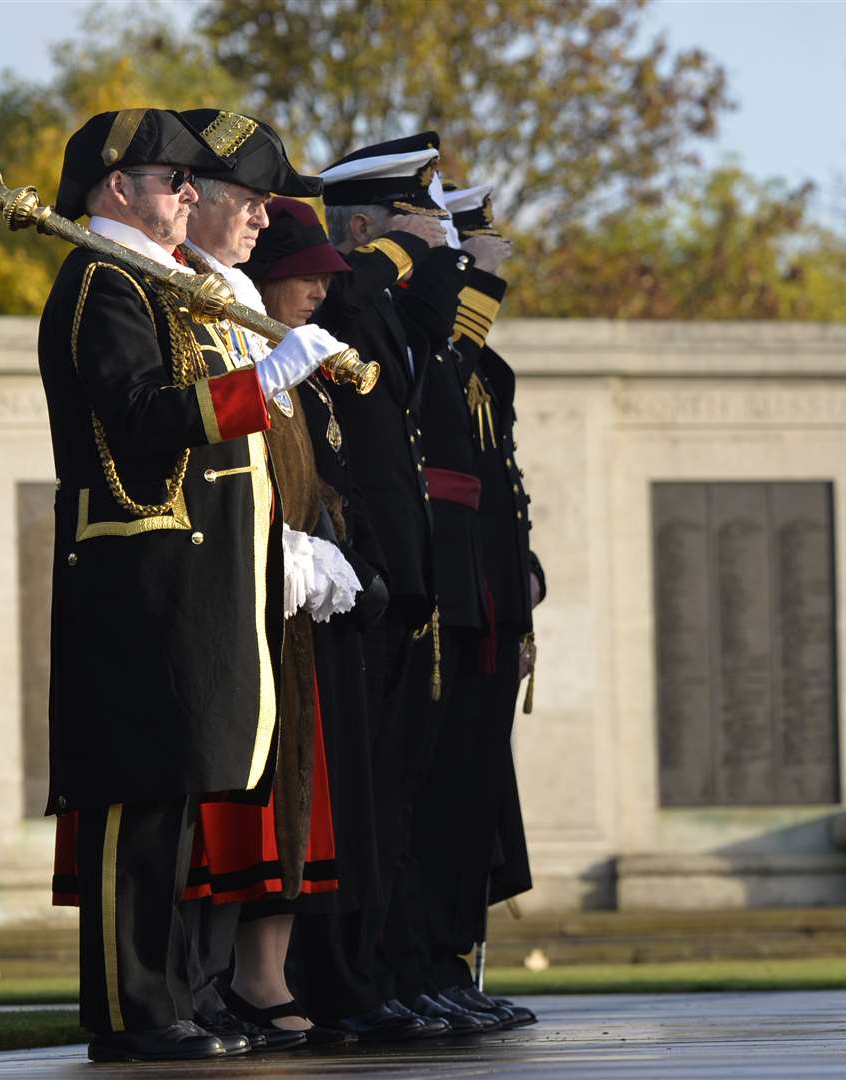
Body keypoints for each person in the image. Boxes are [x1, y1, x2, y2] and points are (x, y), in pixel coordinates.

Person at [38, 107, 347, 1063]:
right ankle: (132, 1014)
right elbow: (137, 417)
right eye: (172, 180)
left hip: (198, 568)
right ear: (117, 186)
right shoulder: (100, 279)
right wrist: (265, 384)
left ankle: (174, 997)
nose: (187, 194)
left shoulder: (166, 284)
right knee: (137, 796)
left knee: (178, 797)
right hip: (138, 565)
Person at [290, 132, 499, 1036]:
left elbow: (449, 338)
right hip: (364, 583)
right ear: (369, 228)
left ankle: (390, 972)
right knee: (366, 798)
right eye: (421, 228)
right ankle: (346, 982)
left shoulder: (401, 326)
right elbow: (335, 313)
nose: (439, 253)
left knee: (401, 797)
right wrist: (389, 253)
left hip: (407, 582)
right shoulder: (340, 306)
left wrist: (445, 261)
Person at [171, 109, 360, 1052]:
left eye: (258, 206)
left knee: (284, 790)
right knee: (221, 797)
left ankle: (253, 977)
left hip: (272, 587)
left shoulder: (233, 297)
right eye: (242, 201)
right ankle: (209, 982)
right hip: (215, 581)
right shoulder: (176, 295)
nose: (253, 220)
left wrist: (314, 536)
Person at [412, 179, 544, 1026]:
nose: (489, 275)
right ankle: (421, 961)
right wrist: (473, 291)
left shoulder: (481, 366)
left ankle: (450, 959)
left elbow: (500, 487)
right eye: (473, 261)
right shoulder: (440, 356)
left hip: (489, 601)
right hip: (445, 603)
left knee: (472, 796)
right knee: (437, 797)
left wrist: (525, 572)